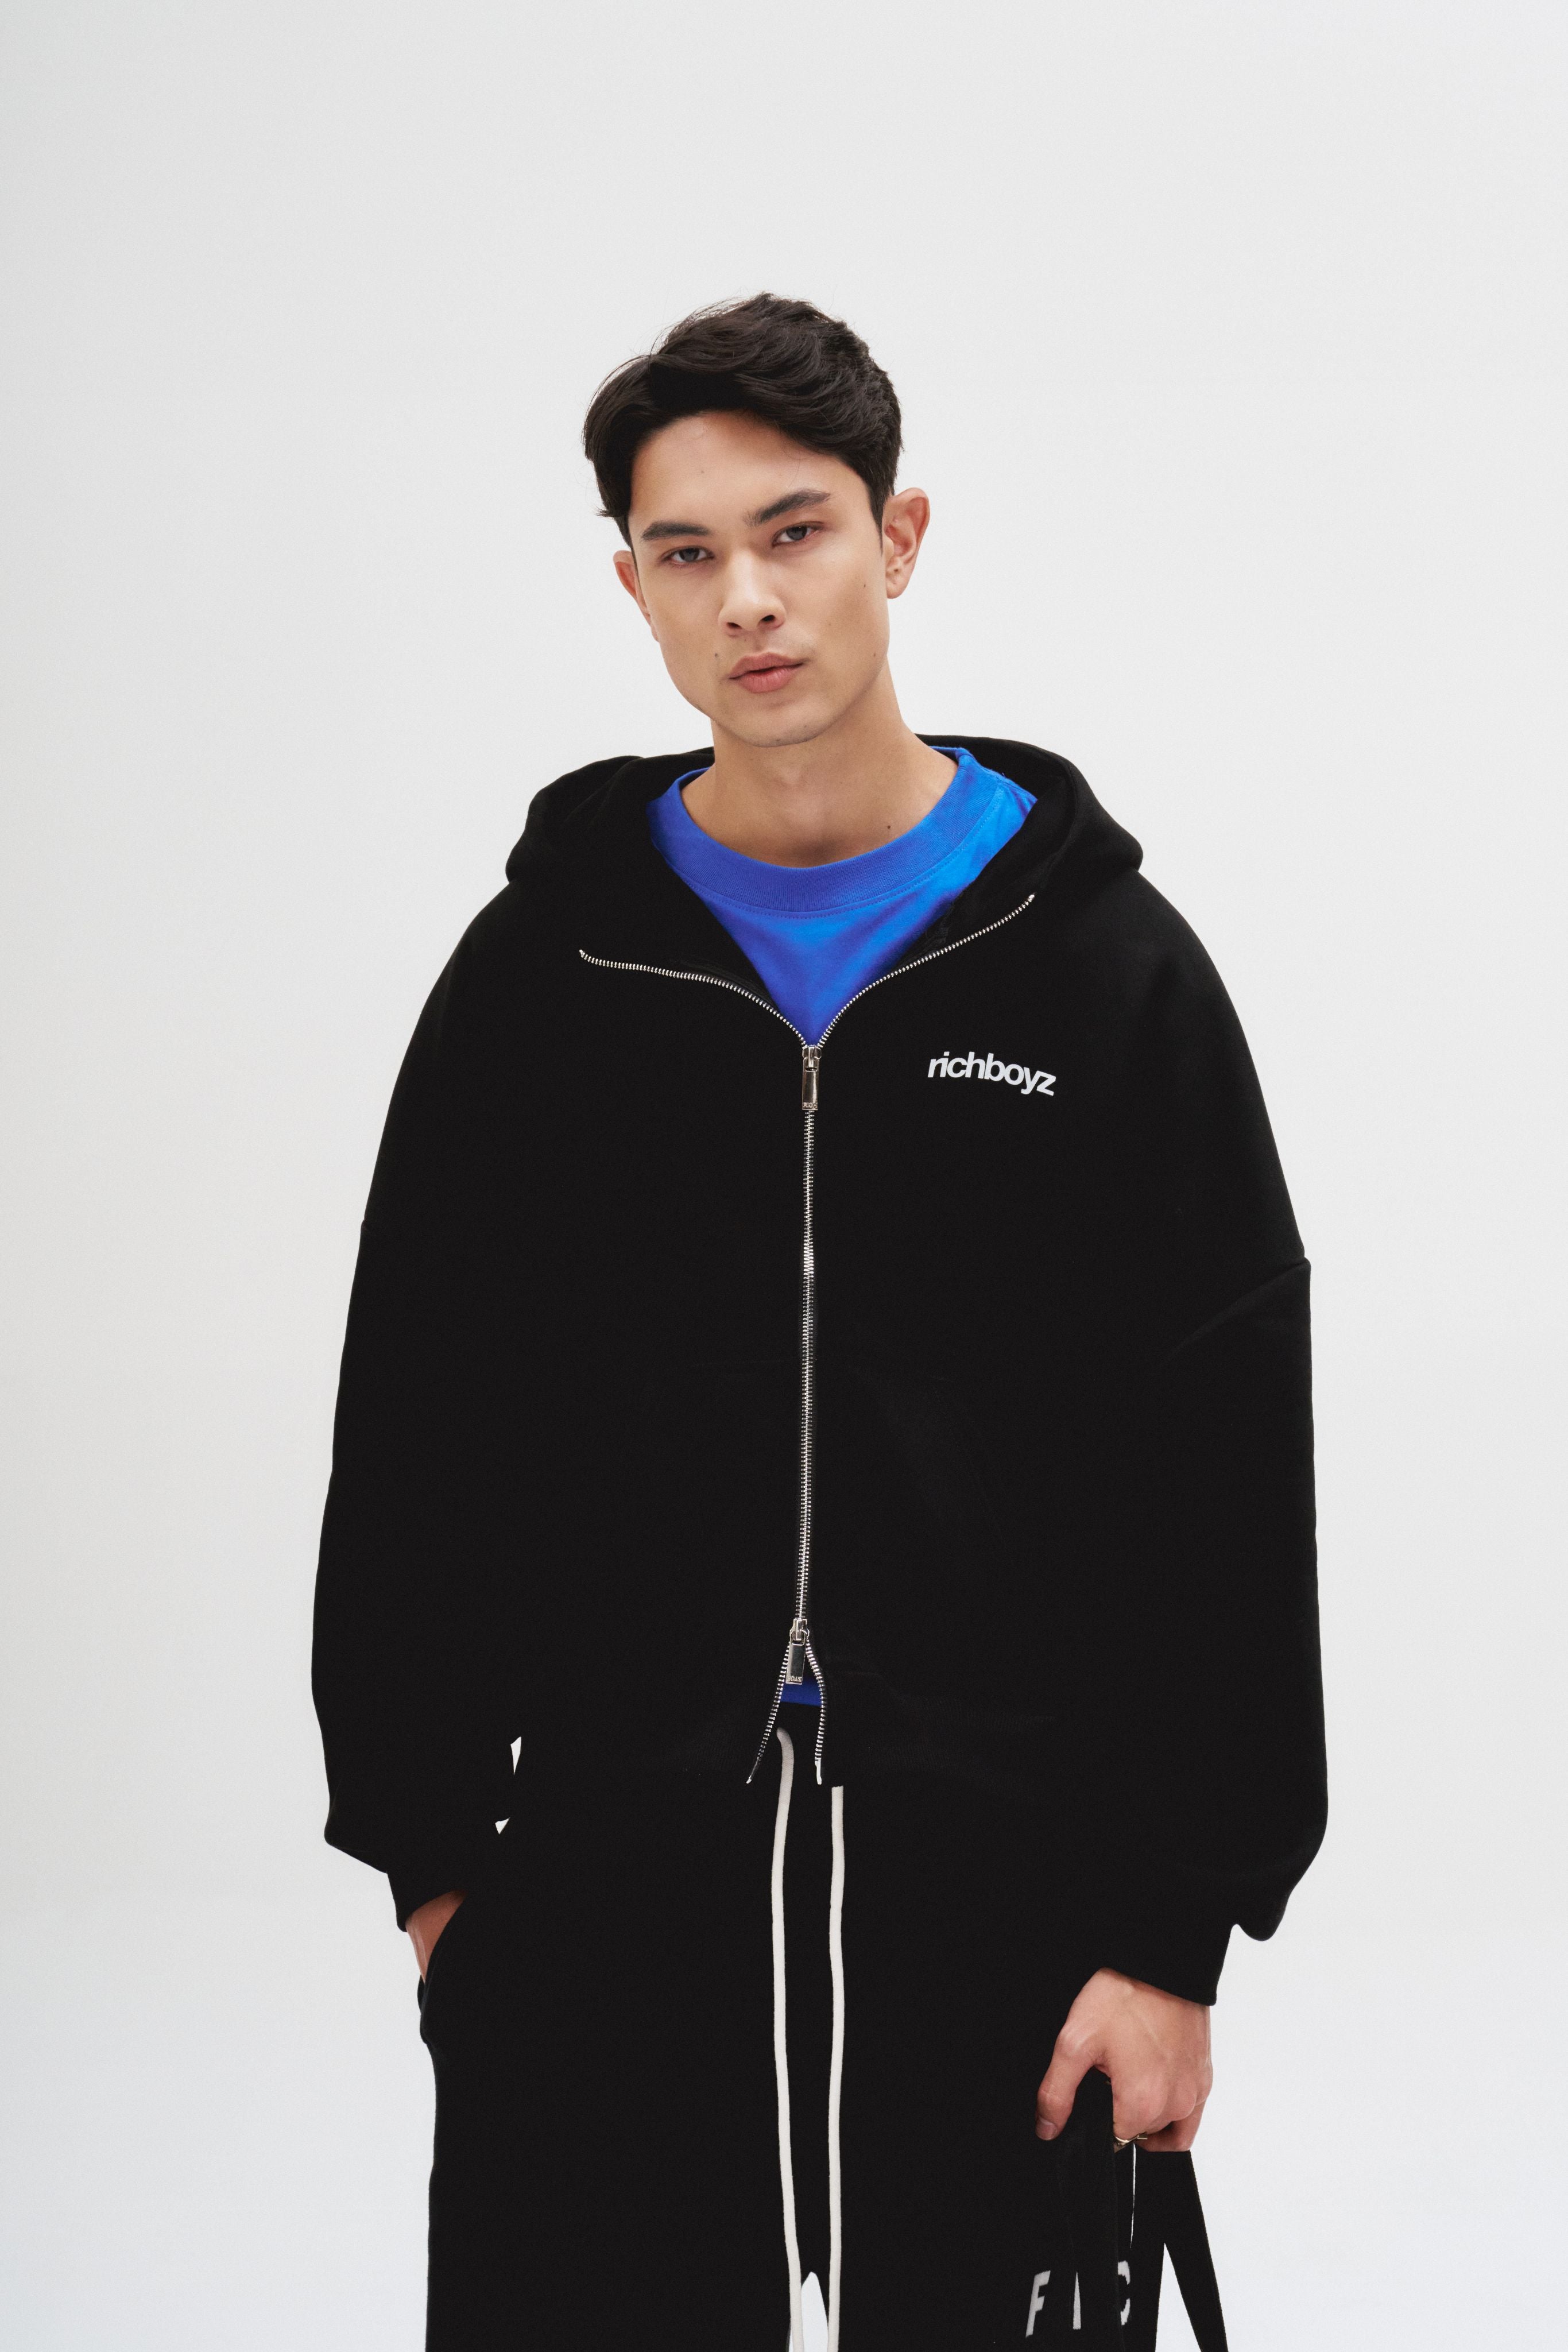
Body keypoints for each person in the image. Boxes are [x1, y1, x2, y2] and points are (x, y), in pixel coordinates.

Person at [311, 293, 1326, 2350]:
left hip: (1005, 1877)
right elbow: (417, 1415)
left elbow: (1220, 1468)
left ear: (898, 537)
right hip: (607, 1867)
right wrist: (435, 1869)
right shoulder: (544, 975)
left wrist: (1170, 1936)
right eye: (685, 553)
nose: (747, 601)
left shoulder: (1101, 972)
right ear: (631, 587)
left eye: (795, 533)